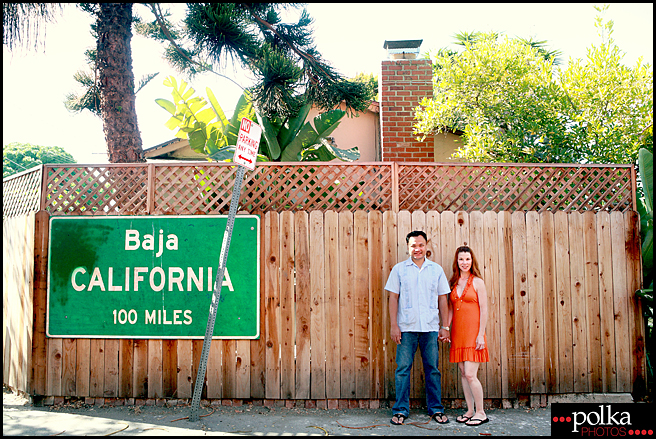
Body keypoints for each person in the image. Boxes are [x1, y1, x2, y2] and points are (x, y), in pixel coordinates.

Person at [385, 230, 451, 426]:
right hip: (406, 328)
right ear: (408, 247)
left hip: (430, 328)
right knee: (403, 369)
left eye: (420, 245)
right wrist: (394, 326)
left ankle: (436, 409)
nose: (417, 249)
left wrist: (445, 326)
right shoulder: (399, 270)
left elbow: (442, 299)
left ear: (426, 246)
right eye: (413, 245)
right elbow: (393, 298)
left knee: (432, 369)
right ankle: (400, 410)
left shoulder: (436, 270)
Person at [446, 245, 490, 426]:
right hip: (458, 333)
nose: (465, 262)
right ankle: (470, 410)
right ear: (457, 261)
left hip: (474, 335)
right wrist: (445, 328)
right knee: (464, 374)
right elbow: (449, 309)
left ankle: (481, 412)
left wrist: (481, 335)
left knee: (471, 374)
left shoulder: (478, 282)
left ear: (472, 261)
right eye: (461, 259)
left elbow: (485, 309)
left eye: (468, 259)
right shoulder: (453, 283)